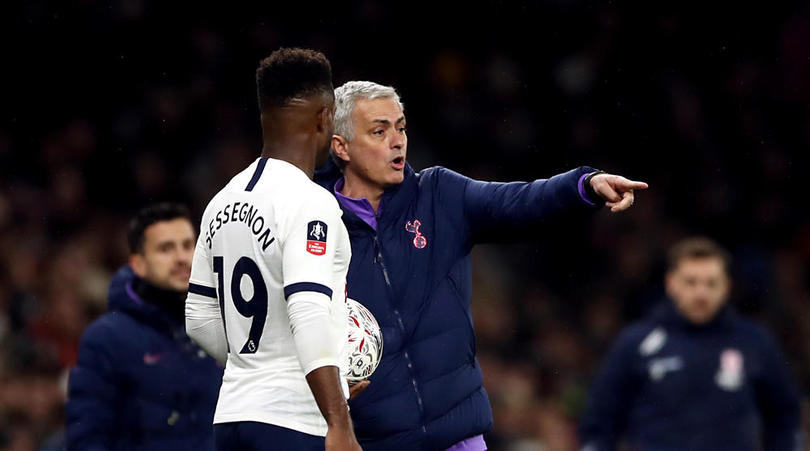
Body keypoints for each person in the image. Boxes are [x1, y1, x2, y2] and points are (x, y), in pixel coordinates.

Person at [314, 80, 648, 451]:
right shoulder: (315, 223)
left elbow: (518, 202)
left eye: (401, 127)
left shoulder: (438, 194)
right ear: (340, 146)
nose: (397, 141)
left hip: (460, 437)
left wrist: (583, 186)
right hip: (373, 440)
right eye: (379, 131)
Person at [184, 48, 361, 451]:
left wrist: (253, 366)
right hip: (293, 422)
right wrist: (339, 419)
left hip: (232, 417)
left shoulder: (221, 200)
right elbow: (307, 309)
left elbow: (197, 317)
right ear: (324, 117)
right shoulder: (310, 202)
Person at [579, 237, 803, 451]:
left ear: (726, 286)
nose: (700, 293)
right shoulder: (636, 343)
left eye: (711, 283)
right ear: (671, 283)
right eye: (691, 282)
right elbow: (599, 420)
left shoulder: (754, 342)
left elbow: (785, 415)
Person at [65, 202, 223, 450]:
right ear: (138, 264)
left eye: (188, 245)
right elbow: (87, 437)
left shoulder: (221, 325)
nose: (182, 258)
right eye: (165, 249)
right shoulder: (106, 339)